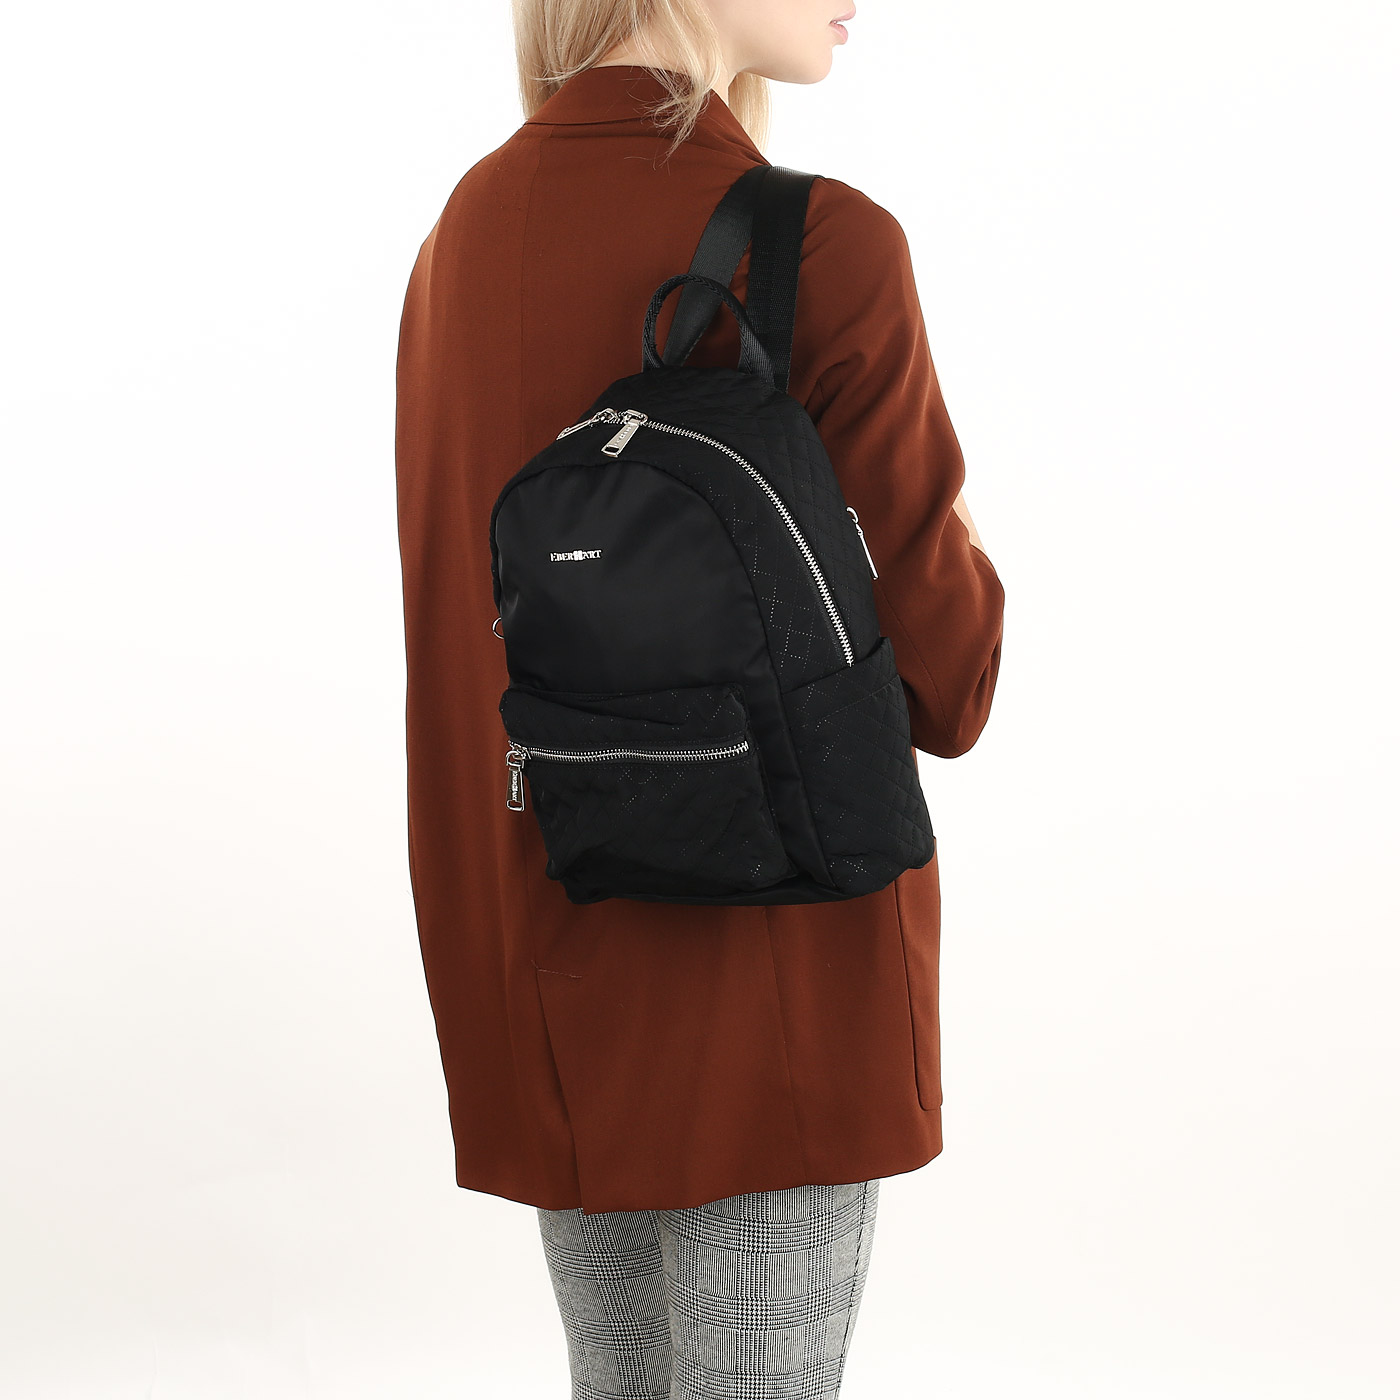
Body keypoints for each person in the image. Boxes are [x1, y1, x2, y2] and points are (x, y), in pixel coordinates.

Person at [393, 2, 1006, 1395]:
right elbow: (950, 678)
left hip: (540, 946)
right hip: (767, 955)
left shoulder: (462, 233)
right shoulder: (819, 244)